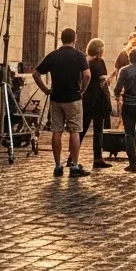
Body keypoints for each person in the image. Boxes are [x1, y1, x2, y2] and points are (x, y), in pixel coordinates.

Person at [33, 28, 92, 177]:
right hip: (73, 98)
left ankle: (58, 165)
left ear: (61, 38)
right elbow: (87, 75)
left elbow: (36, 74)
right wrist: (82, 91)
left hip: (56, 98)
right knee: (74, 131)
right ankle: (74, 166)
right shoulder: (79, 55)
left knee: (56, 131)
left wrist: (46, 89)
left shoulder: (53, 55)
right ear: (75, 39)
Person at [79, 38, 113, 169]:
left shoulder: (90, 61)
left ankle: (77, 156)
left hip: (92, 99)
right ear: (99, 50)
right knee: (91, 128)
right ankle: (95, 157)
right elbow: (101, 78)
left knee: (89, 128)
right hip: (95, 99)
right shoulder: (95, 62)